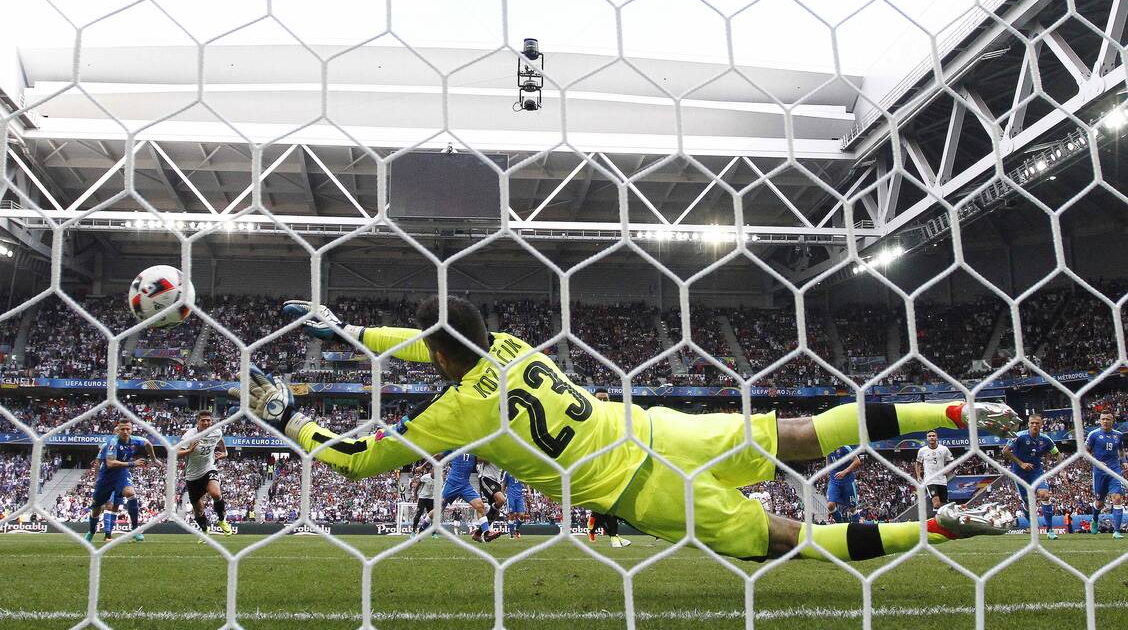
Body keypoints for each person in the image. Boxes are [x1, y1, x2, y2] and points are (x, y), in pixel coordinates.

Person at [235, 296, 1020, 564]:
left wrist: (291, 419)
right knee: (806, 432)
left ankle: (940, 530)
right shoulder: (507, 345)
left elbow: (363, 464)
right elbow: (423, 345)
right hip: (663, 431)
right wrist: (347, 333)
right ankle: (951, 410)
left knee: (793, 538)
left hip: (647, 492)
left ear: (442, 355)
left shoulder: (455, 410)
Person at [84, 419, 160, 543]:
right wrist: (132, 463)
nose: (125, 431)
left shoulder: (135, 440)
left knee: (130, 494)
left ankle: (135, 530)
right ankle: (92, 531)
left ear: (131, 430)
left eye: (127, 429)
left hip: (122, 474)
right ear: (117, 430)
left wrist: (154, 459)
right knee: (97, 507)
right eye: (122, 429)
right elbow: (109, 463)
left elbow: (148, 444)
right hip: (106, 477)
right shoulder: (111, 443)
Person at [1000, 414, 1060, 539]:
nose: (1034, 425)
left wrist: (1060, 469)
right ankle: (1032, 523)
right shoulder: (1019, 436)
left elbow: (1057, 454)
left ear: (1041, 424)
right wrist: (1021, 463)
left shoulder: (1046, 439)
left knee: (1045, 495)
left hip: (1036, 471)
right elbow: (1005, 451)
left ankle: (1050, 531)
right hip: (1019, 473)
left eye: (1037, 423)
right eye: (1032, 423)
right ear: (1028, 424)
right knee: (1028, 504)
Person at [178, 410, 233, 541]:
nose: (206, 422)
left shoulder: (216, 432)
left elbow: (220, 440)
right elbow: (176, 452)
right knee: (198, 509)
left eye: (208, 420)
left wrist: (225, 452)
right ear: (198, 421)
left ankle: (221, 520)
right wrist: (189, 450)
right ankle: (204, 531)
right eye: (203, 420)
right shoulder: (189, 435)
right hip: (192, 475)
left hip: (209, 468)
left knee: (216, 494)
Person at [1085, 411, 1125, 539]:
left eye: (1108, 419)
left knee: (1117, 498)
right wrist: (1096, 462)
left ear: (1112, 421)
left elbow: (1121, 451)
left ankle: (1117, 531)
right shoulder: (1094, 434)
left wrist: (1124, 462)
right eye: (1103, 419)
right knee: (1099, 504)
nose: (1105, 421)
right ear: (1100, 421)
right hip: (1099, 472)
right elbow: (1085, 453)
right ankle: (1095, 519)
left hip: (1114, 470)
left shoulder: (1118, 435)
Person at [915, 431, 955, 517]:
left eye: (933, 436)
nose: (931, 437)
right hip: (930, 480)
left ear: (936, 437)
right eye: (929, 436)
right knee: (936, 502)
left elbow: (951, 461)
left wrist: (948, 470)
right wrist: (918, 476)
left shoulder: (944, 449)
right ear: (927, 438)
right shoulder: (922, 450)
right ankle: (936, 520)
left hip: (942, 480)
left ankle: (942, 519)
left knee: (943, 504)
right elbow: (918, 463)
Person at [825, 446, 861, 523]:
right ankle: (840, 523)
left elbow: (857, 461)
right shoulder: (828, 447)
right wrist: (827, 469)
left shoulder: (846, 448)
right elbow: (827, 457)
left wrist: (844, 472)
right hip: (834, 480)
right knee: (830, 505)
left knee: (852, 508)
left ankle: (857, 525)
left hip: (847, 481)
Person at [477, 459, 508, 526]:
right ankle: (485, 530)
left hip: (497, 481)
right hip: (487, 479)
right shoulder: (490, 450)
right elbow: (480, 459)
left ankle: (482, 531)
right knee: (501, 500)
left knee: (496, 513)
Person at [502, 470, 526, 538]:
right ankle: (512, 533)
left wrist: (529, 491)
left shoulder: (521, 472)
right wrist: (502, 494)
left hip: (520, 496)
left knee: (522, 515)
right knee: (511, 515)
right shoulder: (507, 472)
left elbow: (525, 482)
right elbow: (503, 484)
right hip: (511, 496)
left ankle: (517, 529)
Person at [410, 467, 435, 534]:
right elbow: (417, 486)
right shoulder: (425, 477)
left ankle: (433, 533)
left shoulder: (439, 479)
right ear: (431, 470)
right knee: (418, 514)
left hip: (431, 498)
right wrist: (415, 495)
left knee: (433, 516)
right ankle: (413, 532)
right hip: (422, 497)